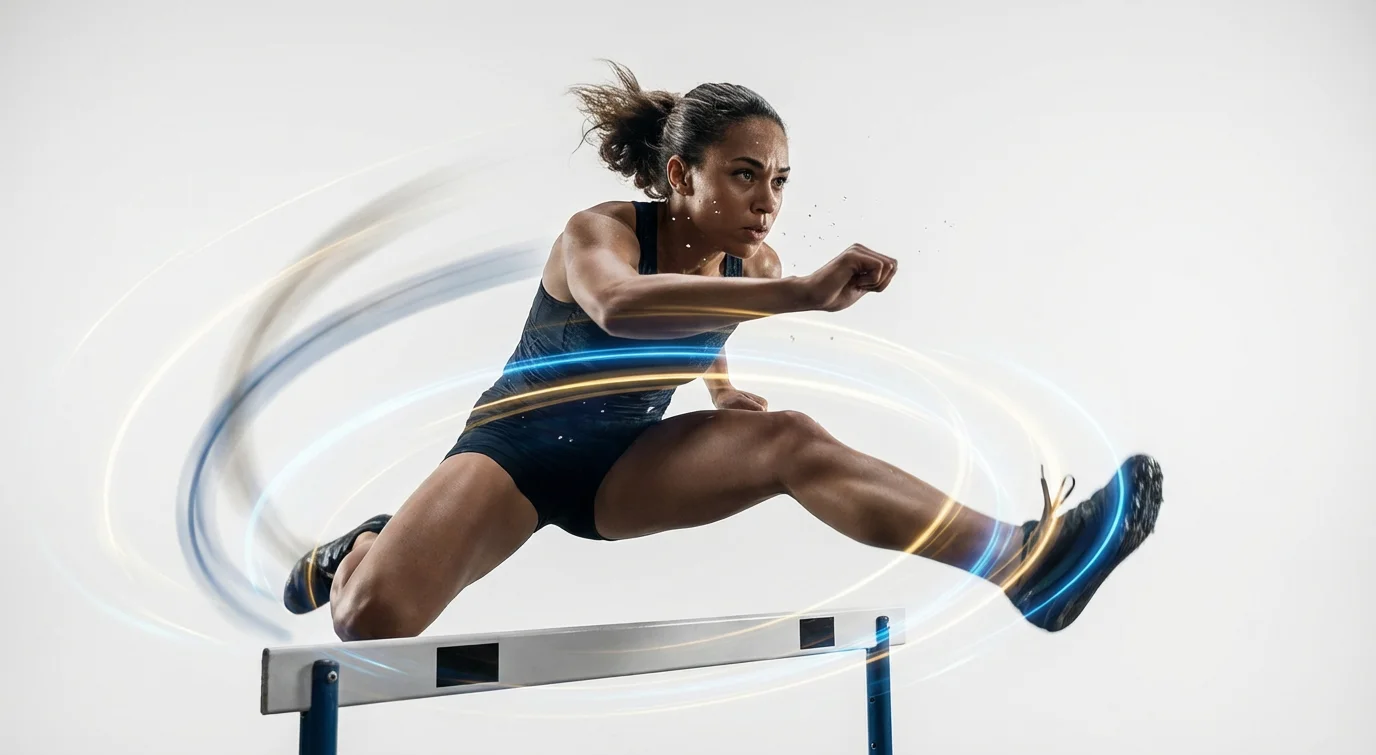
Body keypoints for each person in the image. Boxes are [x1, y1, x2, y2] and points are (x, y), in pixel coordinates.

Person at [282, 62, 1163, 641]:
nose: (767, 201)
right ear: (679, 177)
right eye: (744, 174)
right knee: (369, 622)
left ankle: (1022, 563)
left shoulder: (756, 261)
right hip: (513, 457)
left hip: (625, 465)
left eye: (779, 179)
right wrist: (802, 295)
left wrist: (721, 387)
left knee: (791, 438)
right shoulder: (599, 232)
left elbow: (699, 323)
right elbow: (624, 308)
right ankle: (365, 548)